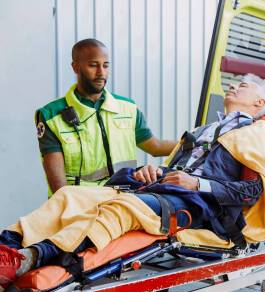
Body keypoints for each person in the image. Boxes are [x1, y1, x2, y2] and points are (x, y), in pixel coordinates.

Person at [0, 73, 265, 289]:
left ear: (259, 103)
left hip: (199, 206)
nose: (233, 86)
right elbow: (174, 167)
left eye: (243, 86)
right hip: (163, 188)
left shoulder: (256, 134)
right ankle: (8, 246)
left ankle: (32, 257)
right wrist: (152, 170)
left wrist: (196, 184)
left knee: (123, 208)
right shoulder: (205, 130)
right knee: (71, 195)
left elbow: (251, 192)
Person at [36, 38, 177, 193]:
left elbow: (155, 147)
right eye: (93, 65)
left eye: (105, 65)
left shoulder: (128, 108)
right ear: (75, 67)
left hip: (124, 200)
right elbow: (60, 189)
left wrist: (195, 143)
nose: (101, 73)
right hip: (80, 204)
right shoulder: (50, 116)